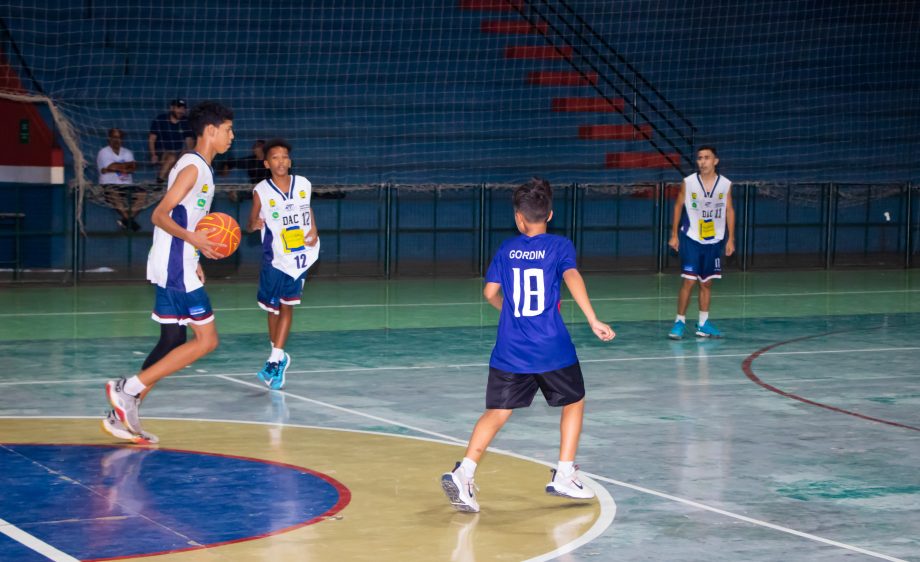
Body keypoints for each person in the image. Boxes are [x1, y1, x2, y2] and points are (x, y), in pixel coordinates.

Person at [441, 178, 615, 513]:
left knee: (497, 412)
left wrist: (509, 310)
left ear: (519, 219)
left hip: (510, 349)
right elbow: (572, 276)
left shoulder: (506, 249)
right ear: (550, 214)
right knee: (575, 401)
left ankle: (464, 472)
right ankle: (564, 473)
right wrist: (593, 319)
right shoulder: (560, 246)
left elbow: (490, 294)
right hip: (551, 347)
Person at [103, 101, 235, 443]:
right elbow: (159, 215)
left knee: (173, 339)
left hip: (179, 260)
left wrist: (196, 254)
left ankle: (121, 413)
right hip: (175, 264)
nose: (232, 136)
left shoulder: (200, 168)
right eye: (228, 129)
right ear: (210, 130)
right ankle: (127, 389)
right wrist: (191, 241)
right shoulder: (193, 167)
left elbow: (186, 219)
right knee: (207, 341)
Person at [247, 138, 319, 390]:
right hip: (274, 257)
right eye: (276, 157)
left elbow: (306, 209)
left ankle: (276, 358)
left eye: (285, 156)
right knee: (272, 308)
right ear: (267, 163)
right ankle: (278, 355)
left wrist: (314, 229)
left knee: (288, 306)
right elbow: (252, 220)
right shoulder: (261, 191)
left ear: (290, 160)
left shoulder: (303, 184)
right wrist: (254, 225)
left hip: (299, 256)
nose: (281, 161)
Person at [667, 145, 735, 339]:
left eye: (707, 158)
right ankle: (679, 322)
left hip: (715, 240)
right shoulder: (688, 182)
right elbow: (678, 206)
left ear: (715, 161)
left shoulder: (725, 184)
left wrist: (731, 238)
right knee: (689, 281)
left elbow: (730, 210)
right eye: (699, 158)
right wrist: (674, 234)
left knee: (706, 283)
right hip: (692, 238)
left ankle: (703, 323)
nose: (702, 161)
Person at [96, 128, 144, 231]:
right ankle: (130, 221)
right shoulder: (104, 152)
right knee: (113, 193)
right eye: (114, 137)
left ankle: (126, 221)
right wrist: (125, 166)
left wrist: (114, 168)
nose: (117, 140)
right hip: (109, 185)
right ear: (109, 139)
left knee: (142, 194)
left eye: (119, 138)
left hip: (127, 186)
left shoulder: (127, 152)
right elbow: (113, 166)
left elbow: (133, 167)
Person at [148, 98, 194, 184]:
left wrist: (189, 154)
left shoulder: (185, 122)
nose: (181, 111)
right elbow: (151, 139)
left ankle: (172, 184)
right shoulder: (161, 119)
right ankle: (159, 183)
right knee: (171, 157)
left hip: (177, 151)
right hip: (161, 151)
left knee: (185, 155)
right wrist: (153, 154)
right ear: (171, 108)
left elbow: (189, 141)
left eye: (183, 108)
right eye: (179, 108)